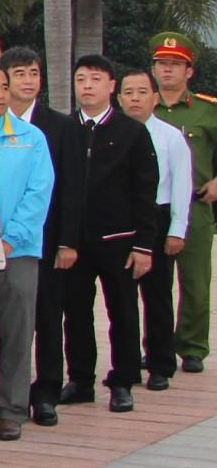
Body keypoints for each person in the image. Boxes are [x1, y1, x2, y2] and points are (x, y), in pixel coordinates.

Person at [62, 55, 161, 414]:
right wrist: (62, 239)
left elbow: (146, 191)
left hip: (119, 240)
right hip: (74, 242)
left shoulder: (131, 132)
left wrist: (143, 245)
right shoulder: (64, 129)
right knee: (75, 312)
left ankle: (123, 381)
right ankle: (80, 380)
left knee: (122, 311)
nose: (87, 86)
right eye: (81, 79)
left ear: (111, 87)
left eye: (95, 79)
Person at [0, 46, 85, 426]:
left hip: (44, 241)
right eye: (20, 73)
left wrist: (68, 241)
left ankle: (46, 391)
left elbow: (70, 189)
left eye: (34, 73)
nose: (28, 81)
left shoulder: (60, 126)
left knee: (48, 318)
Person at [0, 62, 54, 442]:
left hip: (17, 250)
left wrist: (12, 238)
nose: (1, 93)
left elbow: (39, 193)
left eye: (4, 86)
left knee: (17, 331)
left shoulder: (30, 137)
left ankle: (11, 409)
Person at [119, 69, 192, 392]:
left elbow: (181, 186)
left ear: (155, 98)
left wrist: (177, 230)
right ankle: (128, 360)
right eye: (128, 92)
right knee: (121, 297)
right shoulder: (112, 133)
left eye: (141, 92)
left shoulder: (169, 136)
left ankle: (161, 362)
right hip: (120, 220)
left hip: (159, 217)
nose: (135, 98)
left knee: (157, 294)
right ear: (119, 98)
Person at [151, 32, 217, 376]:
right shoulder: (143, 108)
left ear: (189, 72)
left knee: (195, 283)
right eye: (162, 64)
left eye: (175, 65)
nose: (168, 71)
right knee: (154, 284)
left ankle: (192, 347)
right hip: (154, 208)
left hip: (196, 207)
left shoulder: (207, 111)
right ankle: (157, 346)